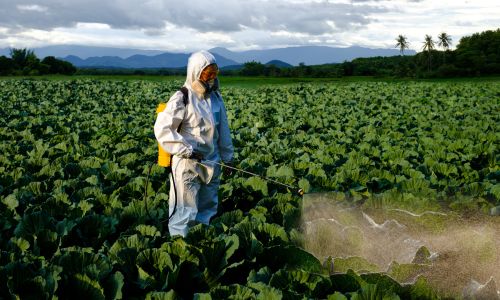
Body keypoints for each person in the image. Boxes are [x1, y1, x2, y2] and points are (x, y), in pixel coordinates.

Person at [154, 50, 233, 237]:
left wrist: (228, 158)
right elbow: (163, 129)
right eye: (208, 73)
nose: (212, 77)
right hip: (187, 164)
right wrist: (186, 150)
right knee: (184, 211)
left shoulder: (216, 98)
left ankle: (201, 243)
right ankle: (180, 248)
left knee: (207, 209)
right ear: (196, 73)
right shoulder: (182, 97)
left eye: (215, 73)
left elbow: (224, 132)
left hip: (211, 163)